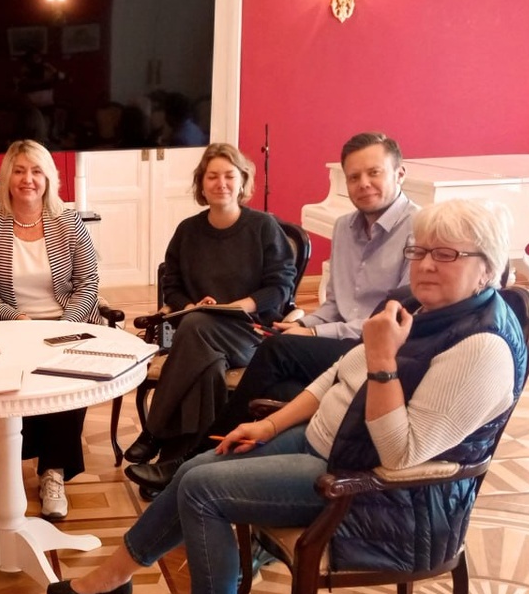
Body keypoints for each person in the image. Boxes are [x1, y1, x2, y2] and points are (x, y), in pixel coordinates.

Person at [48, 199, 527, 594]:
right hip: (329, 443)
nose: (426, 264)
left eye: (446, 254)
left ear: (486, 268)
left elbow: (399, 455)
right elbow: (338, 373)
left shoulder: (481, 349)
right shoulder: (420, 307)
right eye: (420, 250)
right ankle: (116, 575)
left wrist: (383, 360)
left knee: (202, 491)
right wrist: (270, 424)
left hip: (376, 493)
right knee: (194, 469)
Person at [126, 132, 416, 493]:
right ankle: (195, 467)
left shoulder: (419, 229)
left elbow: (391, 319)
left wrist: (306, 330)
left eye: (374, 173)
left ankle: (172, 446)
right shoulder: (345, 227)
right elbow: (335, 306)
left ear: (399, 173)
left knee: (236, 338)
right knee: (207, 353)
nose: (363, 183)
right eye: (354, 176)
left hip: (370, 346)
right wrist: (304, 323)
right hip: (217, 335)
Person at [123, 143, 296, 469]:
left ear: (242, 181)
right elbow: (171, 285)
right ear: (201, 184)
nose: (221, 183)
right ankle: (180, 464)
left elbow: (281, 287)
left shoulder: (263, 227)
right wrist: (190, 305)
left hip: (251, 333)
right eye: (212, 176)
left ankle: (154, 432)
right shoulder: (188, 231)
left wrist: (240, 305)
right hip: (198, 334)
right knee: (207, 364)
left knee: (195, 328)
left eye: (229, 176)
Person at [0, 139, 102, 520]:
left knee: (67, 379)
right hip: (12, 327)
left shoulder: (69, 223)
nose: (28, 179)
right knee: (19, 380)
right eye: (20, 171)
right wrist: (19, 321)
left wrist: (66, 325)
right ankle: (11, 458)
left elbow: (88, 283)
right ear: (7, 178)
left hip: (68, 323)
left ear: (48, 179)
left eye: (37, 171)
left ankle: (53, 472)